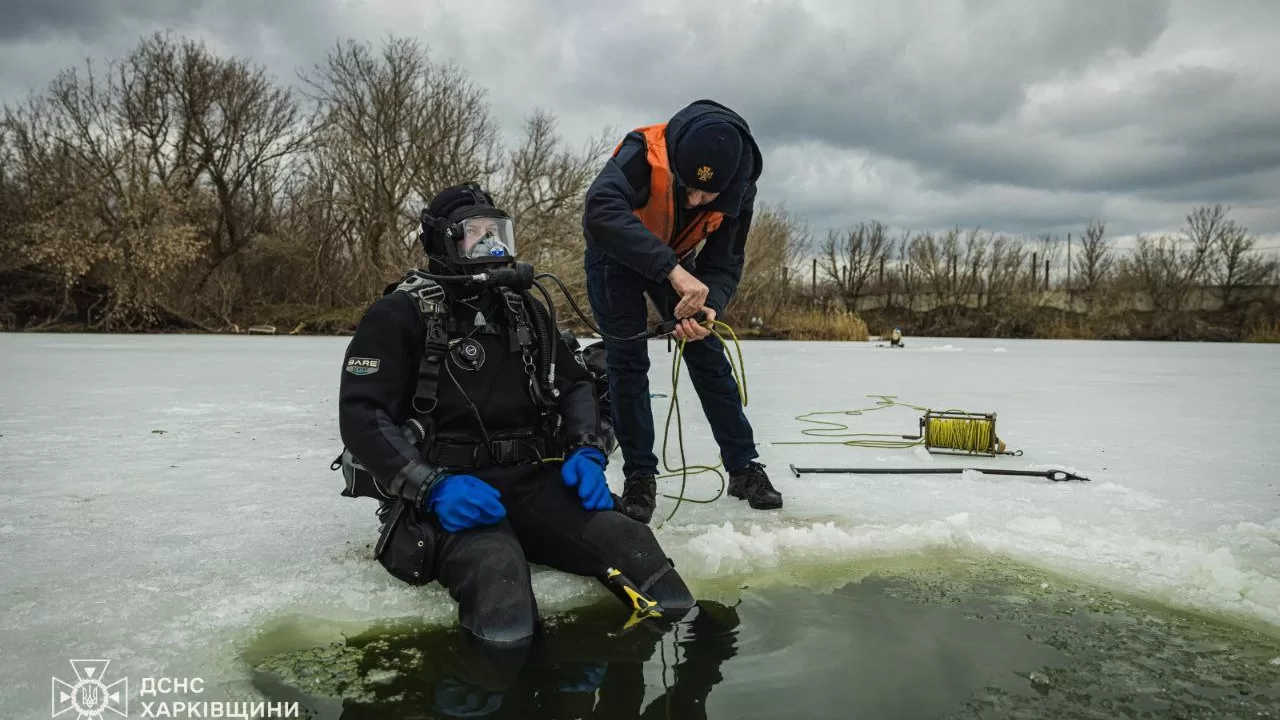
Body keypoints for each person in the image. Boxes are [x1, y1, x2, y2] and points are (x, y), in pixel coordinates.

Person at [335, 182, 697, 677]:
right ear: (443, 241)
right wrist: (429, 486)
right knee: (498, 569)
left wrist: (586, 449)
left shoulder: (523, 308)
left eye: (497, 234)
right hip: (449, 490)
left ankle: (689, 655)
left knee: (630, 540)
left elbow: (575, 385)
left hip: (532, 481)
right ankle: (502, 684)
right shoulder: (399, 314)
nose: (491, 246)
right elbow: (362, 414)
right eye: (476, 235)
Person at [581, 98, 783, 524]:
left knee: (707, 353)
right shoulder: (642, 153)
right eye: (686, 186)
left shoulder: (741, 185)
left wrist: (709, 305)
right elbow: (599, 209)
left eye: (706, 194)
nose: (694, 200)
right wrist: (671, 271)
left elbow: (725, 260)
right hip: (615, 255)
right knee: (627, 362)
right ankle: (640, 476)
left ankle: (743, 467)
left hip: (676, 257)